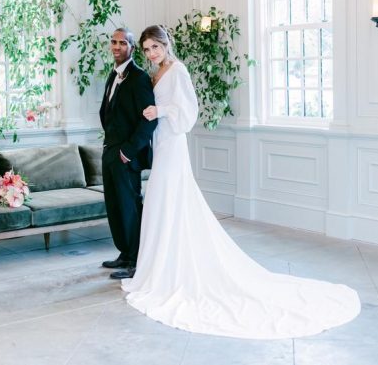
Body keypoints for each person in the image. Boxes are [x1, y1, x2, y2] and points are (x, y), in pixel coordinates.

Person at [121, 24, 361, 339]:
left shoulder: (177, 71)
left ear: (166, 45)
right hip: (162, 143)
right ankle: (157, 270)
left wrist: (161, 110)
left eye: (155, 47)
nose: (151, 54)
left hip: (174, 145)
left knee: (171, 197)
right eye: (147, 49)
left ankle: (172, 271)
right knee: (160, 201)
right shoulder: (157, 73)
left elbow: (189, 113)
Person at [99, 28, 157, 280]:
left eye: (123, 43)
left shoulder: (139, 77)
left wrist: (127, 151)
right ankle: (124, 252)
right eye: (113, 42)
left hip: (126, 155)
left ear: (132, 48)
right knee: (114, 206)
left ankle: (136, 259)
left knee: (130, 206)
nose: (116, 46)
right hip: (109, 151)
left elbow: (149, 121)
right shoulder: (113, 75)